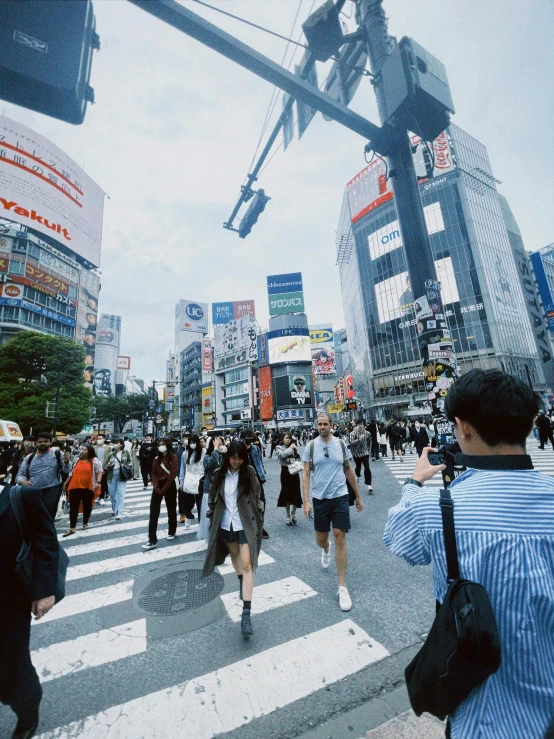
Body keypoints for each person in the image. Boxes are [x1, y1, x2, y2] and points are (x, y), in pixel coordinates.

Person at [384, 369, 554, 738]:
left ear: (462, 427)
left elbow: (398, 538)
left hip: (482, 719)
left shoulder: (438, 505)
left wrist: (415, 483)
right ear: (528, 423)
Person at [0, 483, 59, 739]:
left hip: (10, 601)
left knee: (12, 664)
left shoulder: (20, 496)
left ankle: (27, 712)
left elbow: (46, 540)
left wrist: (45, 590)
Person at [302, 413, 363, 612]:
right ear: (316, 426)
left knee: (340, 536)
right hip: (319, 498)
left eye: (325, 423)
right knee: (321, 539)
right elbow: (305, 475)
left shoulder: (341, 444)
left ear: (331, 425)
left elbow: (349, 470)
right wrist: (305, 501)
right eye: (319, 424)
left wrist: (358, 496)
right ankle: (325, 548)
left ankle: (342, 586)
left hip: (340, 496)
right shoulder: (310, 447)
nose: (322, 427)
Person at [202, 440, 264, 636]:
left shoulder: (250, 473)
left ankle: (246, 614)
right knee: (235, 556)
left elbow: (258, 497)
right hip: (225, 523)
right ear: (228, 457)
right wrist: (212, 514)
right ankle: (241, 580)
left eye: (240, 458)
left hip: (245, 523)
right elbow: (212, 497)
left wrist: (258, 517)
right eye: (233, 458)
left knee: (247, 564)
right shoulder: (219, 475)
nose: (236, 462)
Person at [16, 431, 69, 518]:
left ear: (50, 442)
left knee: (47, 516)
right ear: (36, 443)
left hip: (52, 489)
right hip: (33, 491)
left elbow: (66, 471)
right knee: (34, 517)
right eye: (40, 442)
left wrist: (66, 463)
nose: (43, 443)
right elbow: (20, 475)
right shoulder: (29, 458)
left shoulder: (57, 454)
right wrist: (24, 481)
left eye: (45, 441)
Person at [142, 438, 178, 550]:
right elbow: (153, 474)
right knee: (153, 512)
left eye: (163, 444)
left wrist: (164, 489)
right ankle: (152, 539)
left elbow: (172, 475)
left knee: (171, 509)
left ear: (168, 445)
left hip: (170, 485)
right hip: (158, 486)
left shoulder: (173, 458)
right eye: (159, 444)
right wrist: (156, 487)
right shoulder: (156, 459)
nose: (161, 446)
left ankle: (172, 531)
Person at [62, 443, 103, 536]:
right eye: (81, 449)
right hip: (75, 486)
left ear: (90, 451)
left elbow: (100, 471)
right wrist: (65, 483)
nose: (82, 451)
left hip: (88, 487)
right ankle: (72, 528)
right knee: (73, 507)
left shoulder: (95, 460)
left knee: (87, 506)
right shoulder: (76, 460)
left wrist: (98, 482)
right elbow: (71, 472)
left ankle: (85, 523)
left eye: (84, 450)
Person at [243, 432, 269, 539]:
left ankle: (259, 526)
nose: (249, 441)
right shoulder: (239, 448)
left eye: (251, 438)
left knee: (261, 503)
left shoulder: (255, 448)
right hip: (245, 481)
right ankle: (248, 528)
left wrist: (262, 472)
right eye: (247, 438)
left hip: (258, 479)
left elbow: (259, 461)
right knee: (247, 505)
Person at [198, 436, 223, 542]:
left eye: (221, 443)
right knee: (210, 516)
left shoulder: (224, 455)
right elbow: (209, 465)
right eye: (217, 443)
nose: (220, 445)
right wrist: (215, 451)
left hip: (222, 489)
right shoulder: (208, 456)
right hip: (210, 490)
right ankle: (211, 538)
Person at [276, 432, 303, 525]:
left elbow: (299, 458)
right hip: (285, 473)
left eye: (289, 438)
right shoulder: (278, 447)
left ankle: (293, 513)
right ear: (282, 439)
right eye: (286, 438)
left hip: (294, 472)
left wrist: (295, 453)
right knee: (286, 494)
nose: (288, 440)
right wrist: (291, 448)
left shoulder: (293, 447)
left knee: (296, 493)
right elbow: (282, 455)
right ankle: (287, 516)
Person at [180, 432, 205, 528]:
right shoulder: (185, 454)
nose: (192, 444)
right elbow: (182, 468)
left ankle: (201, 523)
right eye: (191, 442)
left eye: (194, 442)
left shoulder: (203, 452)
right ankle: (188, 516)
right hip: (189, 479)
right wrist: (181, 482)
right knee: (187, 502)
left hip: (200, 479)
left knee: (200, 503)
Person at [104, 438, 132, 520]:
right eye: (114, 443)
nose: (114, 444)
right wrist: (108, 466)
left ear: (121, 444)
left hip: (122, 475)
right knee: (112, 494)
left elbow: (130, 462)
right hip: (112, 475)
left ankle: (119, 512)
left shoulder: (126, 453)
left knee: (120, 494)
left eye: (116, 443)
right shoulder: (110, 454)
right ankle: (114, 509)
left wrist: (128, 467)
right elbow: (104, 465)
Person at [349, 420, 373, 493]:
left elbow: (370, 442)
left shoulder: (367, 433)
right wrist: (358, 439)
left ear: (364, 425)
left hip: (365, 452)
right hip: (356, 453)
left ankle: (369, 484)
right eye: (359, 424)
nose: (360, 426)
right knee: (358, 466)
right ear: (356, 425)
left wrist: (369, 450)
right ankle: (357, 476)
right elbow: (351, 443)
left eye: (362, 424)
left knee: (367, 467)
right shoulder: (352, 433)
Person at [93, 434, 109, 505]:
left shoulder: (108, 448)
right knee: (96, 482)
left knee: (102, 482)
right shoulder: (94, 448)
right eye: (98, 438)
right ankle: (98, 495)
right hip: (95, 468)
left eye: (100, 438)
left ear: (104, 439)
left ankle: (102, 497)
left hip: (104, 467)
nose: (99, 440)